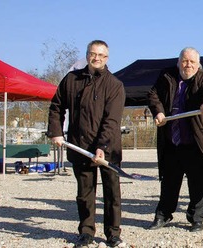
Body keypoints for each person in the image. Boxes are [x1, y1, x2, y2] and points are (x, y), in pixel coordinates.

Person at [47, 40, 125, 247]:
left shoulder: (114, 85)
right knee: (85, 193)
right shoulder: (71, 80)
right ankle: (86, 232)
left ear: (107, 58)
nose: (96, 58)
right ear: (88, 54)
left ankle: (113, 233)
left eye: (101, 55)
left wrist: (102, 146)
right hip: (79, 146)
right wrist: (56, 132)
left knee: (112, 193)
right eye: (93, 54)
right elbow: (56, 106)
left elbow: (112, 121)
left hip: (108, 149)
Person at [147, 47, 203, 232]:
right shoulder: (166, 75)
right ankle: (163, 215)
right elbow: (153, 94)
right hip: (171, 141)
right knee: (169, 182)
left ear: (198, 64)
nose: (188, 65)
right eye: (185, 61)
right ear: (178, 62)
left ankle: (196, 219)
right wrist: (158, 111)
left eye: (192, 62)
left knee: (198, 183)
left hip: (196, 141)